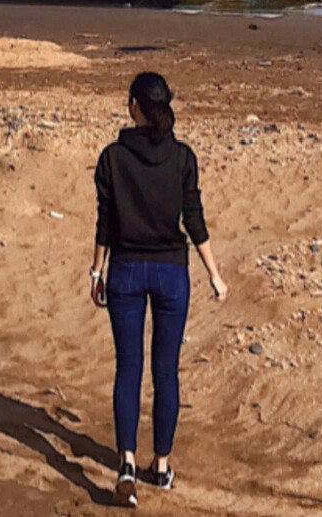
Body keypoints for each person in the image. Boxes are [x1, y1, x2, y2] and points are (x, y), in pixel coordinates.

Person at [90, 71, 227, 505]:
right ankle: (162, 467)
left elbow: (106, 221)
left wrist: (97, 272)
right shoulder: (183, 157)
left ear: (134, 106)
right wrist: (214, 274)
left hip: (126, 269)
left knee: (128, 367)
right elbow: (194, 219)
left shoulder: (112, 157)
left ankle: (127, 464)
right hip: (171, 274)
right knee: (165, 369)